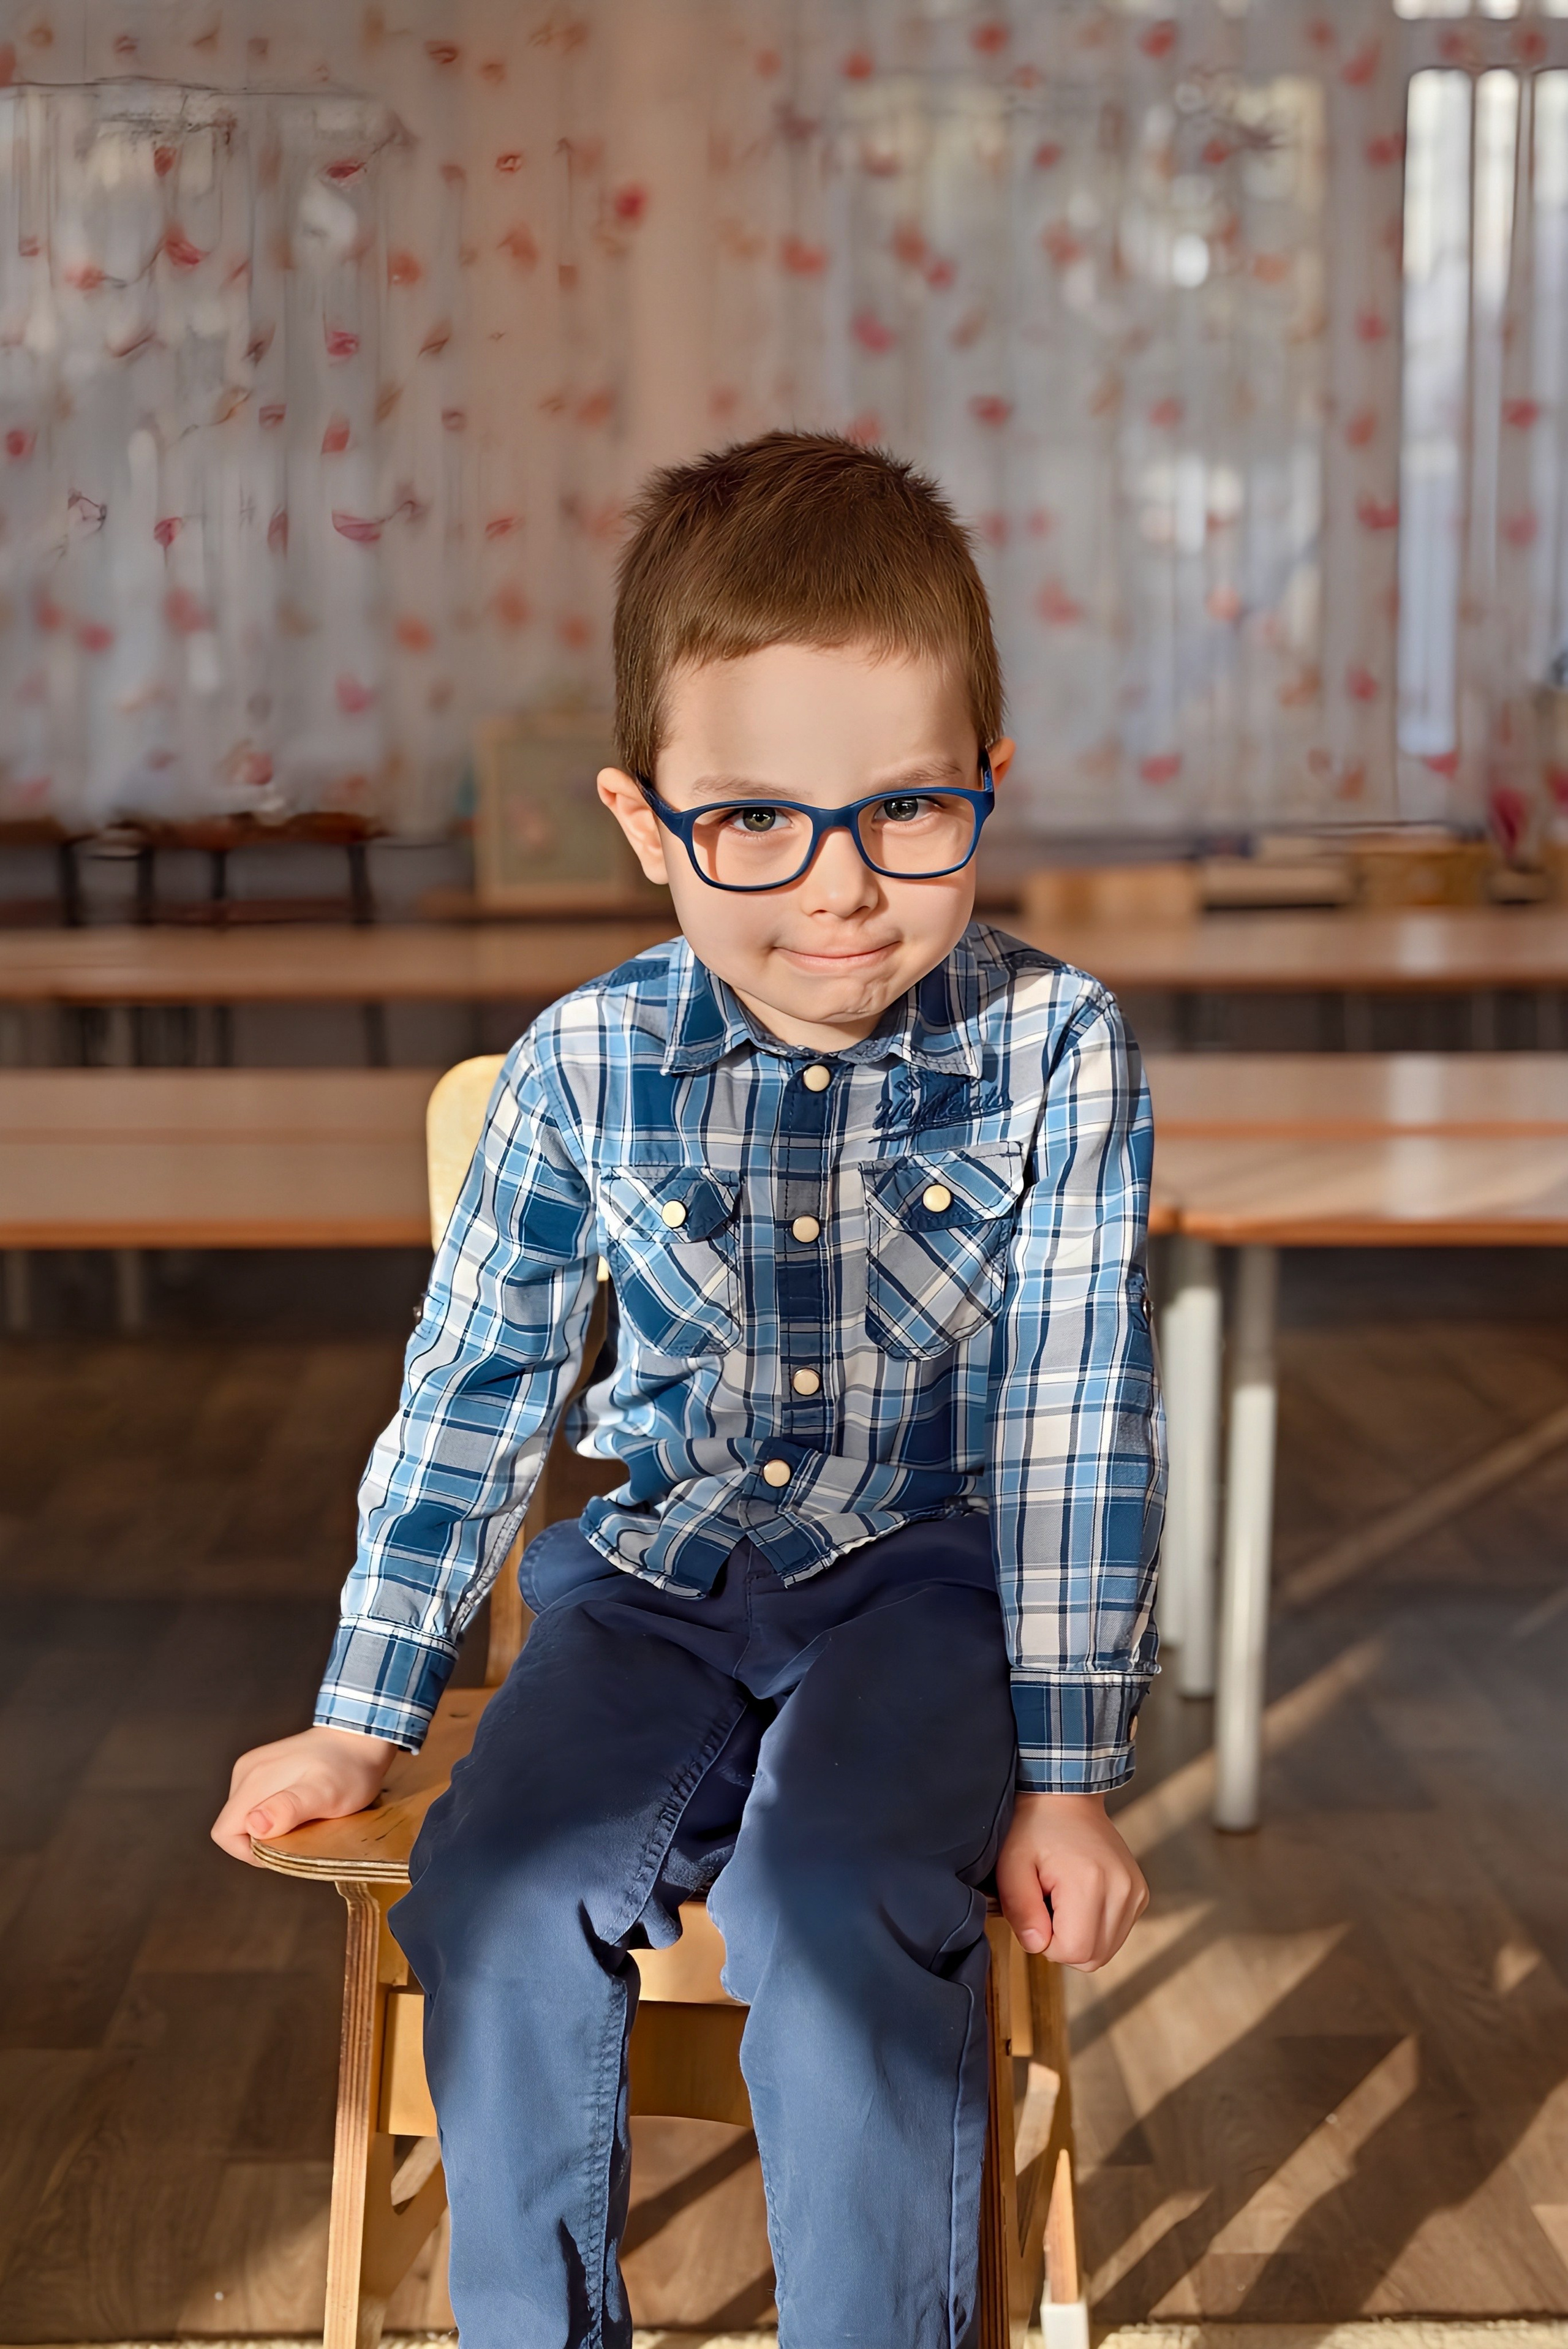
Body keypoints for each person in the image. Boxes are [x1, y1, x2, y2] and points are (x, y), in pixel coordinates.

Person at [213, 429, 1163, 2349]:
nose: (842, 891)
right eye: (754, 821)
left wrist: (1068, 1777)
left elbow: (1078, 1413)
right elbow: (476, 1391)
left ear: (987, 786)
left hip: (929, 1582)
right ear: (648, 823)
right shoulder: (581, 1063)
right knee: (493, 1884)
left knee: (827, 1907)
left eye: (907, 811)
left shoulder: (1059, 1048)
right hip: (654, 1583)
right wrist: (361, 1707)